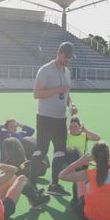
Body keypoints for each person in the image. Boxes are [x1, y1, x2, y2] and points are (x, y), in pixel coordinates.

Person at [30, 41, 78, 189]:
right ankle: (31, 183)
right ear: (59, 53)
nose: (68, 60)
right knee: (41, 150)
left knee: (60, 151)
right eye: (66, 57)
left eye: (70, 57)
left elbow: (66, 92)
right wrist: (57, 90)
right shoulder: (45, 70)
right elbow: (36, 94)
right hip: (45, 118)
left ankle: (54, 183)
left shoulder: (67, 72)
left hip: (60, 118)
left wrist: (72, 105)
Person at [58, 142, 110, 220]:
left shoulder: (88, 174)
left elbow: (61, 175)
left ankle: (75, 203)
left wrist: (79, 162)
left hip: (91, 216)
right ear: (108, 157)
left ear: (93, 157)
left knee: (80, 180)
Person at [47, 117, 102, 196]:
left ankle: (77, 197)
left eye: (75, 126)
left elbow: (98, 138)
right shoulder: (66, 135)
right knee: (71, 152)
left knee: (79, 183)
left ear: (80, 127)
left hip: (81, 163)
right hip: (68, 163)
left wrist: (86, 130)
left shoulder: (84, 135)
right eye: (71, 127)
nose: (73, 129)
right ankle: (53, 185)